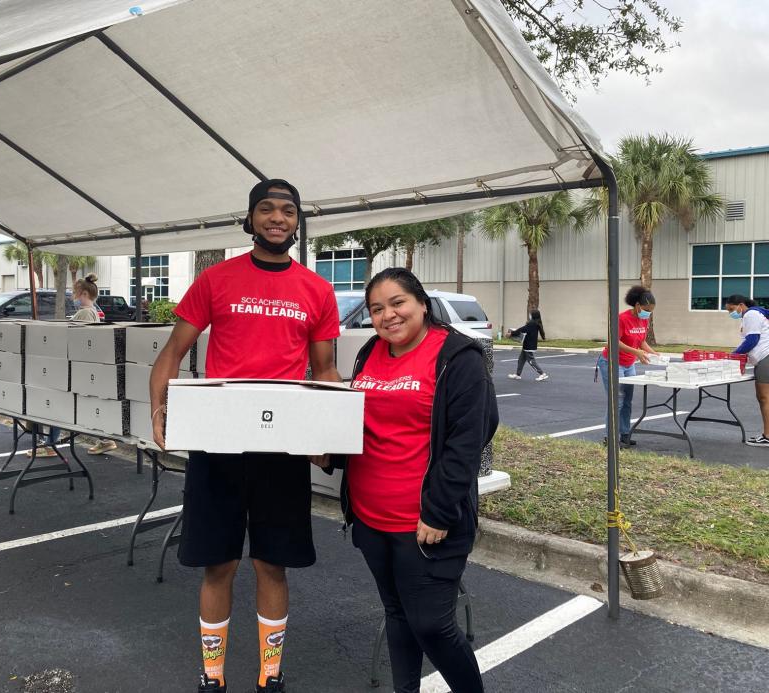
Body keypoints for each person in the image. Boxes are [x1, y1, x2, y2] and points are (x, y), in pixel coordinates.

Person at [148, 179, 341, 693]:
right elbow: (171, 352)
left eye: (287, 211)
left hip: (282, 447)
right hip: (218, 444)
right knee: (219, 564)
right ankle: (212, 677)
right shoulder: (217, 279)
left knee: (272, 564)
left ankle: (269, 675)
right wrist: (159, 406)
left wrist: (330, 430)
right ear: (250, 218)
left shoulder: (317, 290)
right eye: (266, 209)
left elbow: (324, 370)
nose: (277, 218)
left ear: (297, 222)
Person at [332, 267, 497, 693]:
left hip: (425, 523)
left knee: (432, 625)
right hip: (370, 517)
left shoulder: (458, 357)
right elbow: (361, 425)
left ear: (422, 303)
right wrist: (326, 451)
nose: (388, 315)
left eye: (397, 303)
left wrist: (440, 511)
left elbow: (468, 441)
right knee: (397, 613)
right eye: (376, 308)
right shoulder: (370, 351)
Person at [33, 274, 116, 457]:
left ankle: (49, 445)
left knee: (57, 402)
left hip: (76, 366)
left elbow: (77, 339)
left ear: (84, 293)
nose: (73, 296)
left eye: (75, 292)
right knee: (77, 406)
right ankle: (103, 440)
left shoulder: (85, 313)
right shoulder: (92, 311)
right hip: (83, 367)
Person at [596, 285, 661, 447]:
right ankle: (610, 437)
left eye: (651, 311)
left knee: (627, 401)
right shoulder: (621, 319)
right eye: (647, 309)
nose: (648, 313)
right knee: (616, 401)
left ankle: (625, 433)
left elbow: (642, 341)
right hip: (612, 363)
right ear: (638, 305)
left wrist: (653, 353)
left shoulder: (643, 320)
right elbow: (613, 342)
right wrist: (637, 352)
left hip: (628, 363)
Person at [725, 294, 769, 446]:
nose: (731, 313)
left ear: (741, 305)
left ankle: (767, 436)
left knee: (764, 398)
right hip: (763, 358)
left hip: (766, 357)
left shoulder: (751, 314)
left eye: (731, 309)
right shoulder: (754, 314)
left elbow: (752, 340)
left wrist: (733, 355)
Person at [506, 309, 548, 381]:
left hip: (529, 345)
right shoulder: (536, 323)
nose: (529, 315)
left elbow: (522, 329)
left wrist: (512, 333)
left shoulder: (532, 323)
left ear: (533, 315)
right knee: (521, 360)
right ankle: (517, 375)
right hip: (528, 345)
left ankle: (542, 374)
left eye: (530, 314)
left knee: (531, 361)